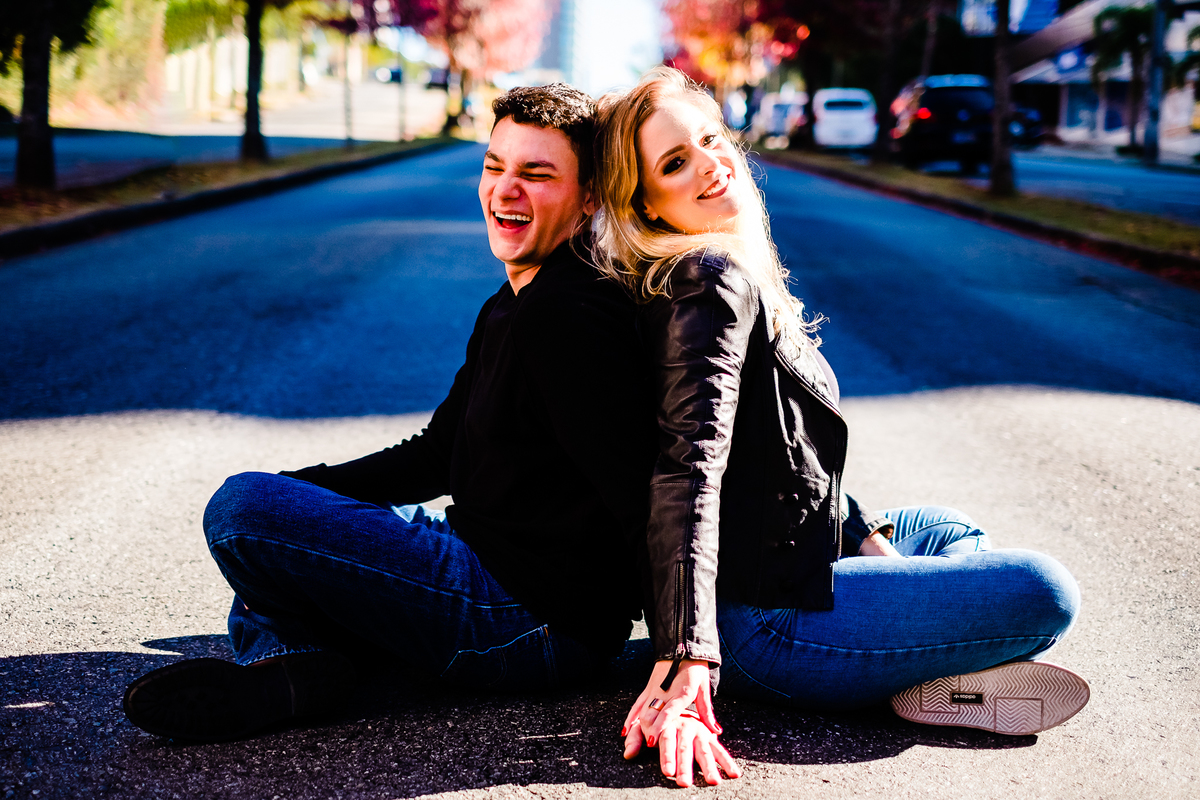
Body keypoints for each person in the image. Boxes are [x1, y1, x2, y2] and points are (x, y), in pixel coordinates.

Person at [589, 66, 1089, 788]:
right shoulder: (707, 282)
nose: (709, 164)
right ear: (648, 205)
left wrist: (866, 538)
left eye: (708, 139)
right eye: (674, 164)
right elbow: (687, 467)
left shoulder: (727, 266)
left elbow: (793, 447)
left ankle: (920, 662)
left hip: (802, 558)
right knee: (1046, 589)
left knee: (939, 527)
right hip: (770, 622)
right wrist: (690, 651)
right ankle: (916, 672)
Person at [122, 83, 657, 742]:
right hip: (479, 557)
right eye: (495, 167)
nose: (504, 190)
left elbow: (644, 491)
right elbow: (438, 452)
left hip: (526, 618)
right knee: (278, 530)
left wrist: (680, 659)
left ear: (590, 198)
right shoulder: (518, 298)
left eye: (536, 175)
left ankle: (296, 654)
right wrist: (304, 493)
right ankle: (297, 670)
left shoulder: (568, 314)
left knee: (241, 513)